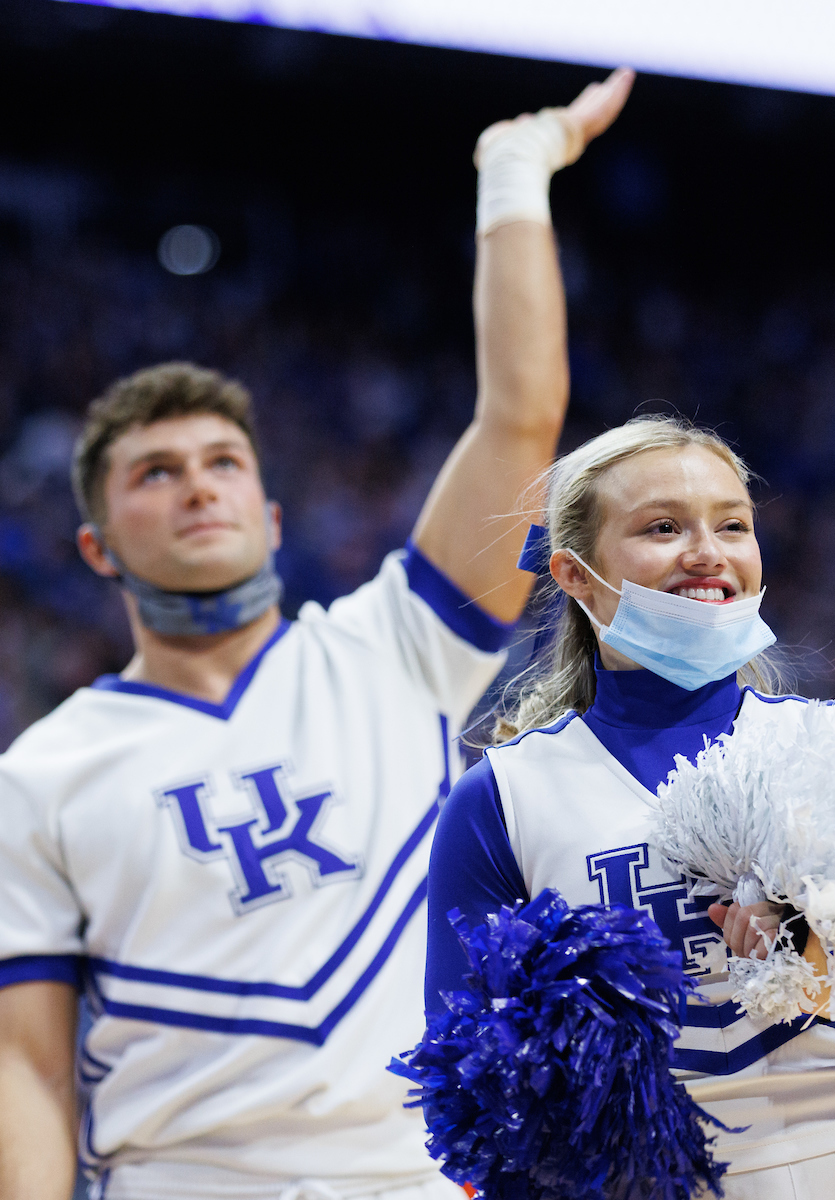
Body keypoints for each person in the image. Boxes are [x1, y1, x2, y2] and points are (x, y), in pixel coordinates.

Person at [0, 70, 635, 1200]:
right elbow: (28, 1074)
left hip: (413, 1178)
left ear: (272, 512)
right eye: (155, 474)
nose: (198, 489)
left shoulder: (390, 645)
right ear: (97, 546)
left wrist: (512, 176)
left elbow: (520, 420)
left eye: (222, 464)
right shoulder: (38, 775)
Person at [425, 413, 835, 1200]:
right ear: (574, 574)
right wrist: (554, 1061)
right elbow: (462, 1102)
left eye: (733, 525)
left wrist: (823, 973)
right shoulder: (499, 802)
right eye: (664, 527)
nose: (708, 553)